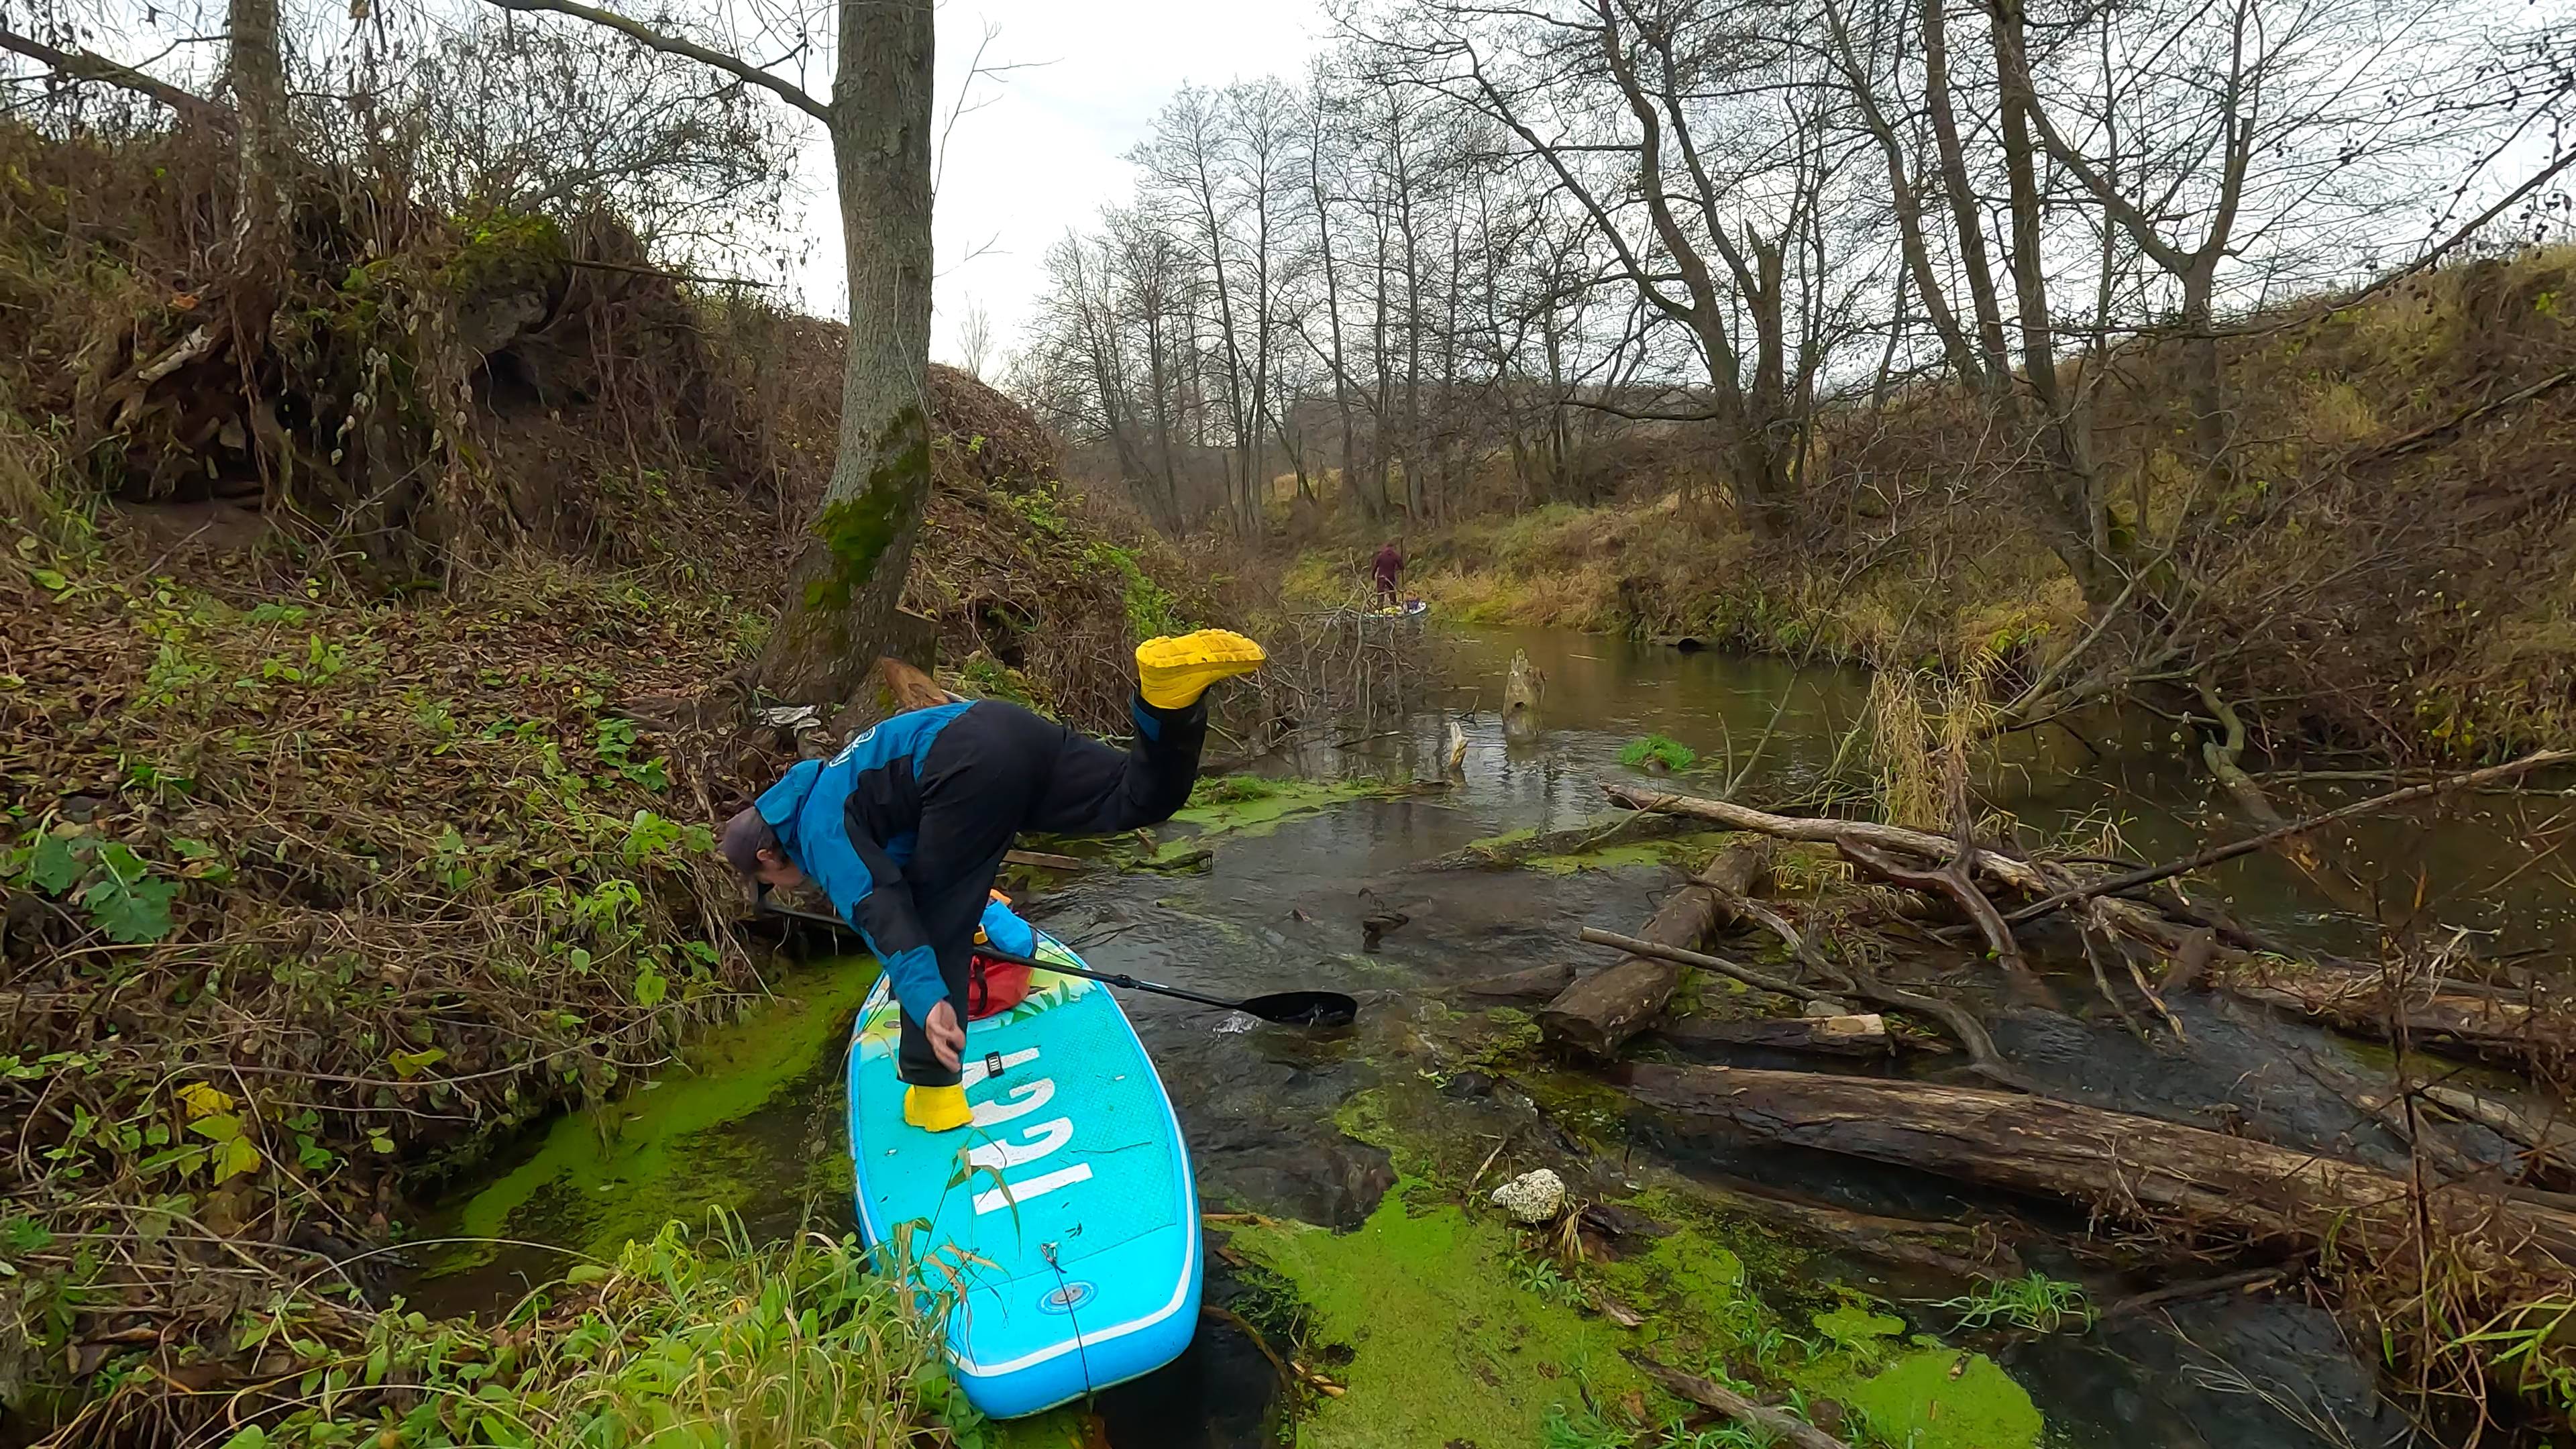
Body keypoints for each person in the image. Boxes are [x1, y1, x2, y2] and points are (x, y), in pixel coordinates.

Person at [718, 629, 1264, 1133]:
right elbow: (909, 853)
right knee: (1137, 796)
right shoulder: (831, 785)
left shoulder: (818, 831)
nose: (785, 888)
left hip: (967, 764)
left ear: (769, 853)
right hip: (1003, 728)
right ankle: (1169, 699)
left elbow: (883, 913)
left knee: (932, 931)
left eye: (769, 880)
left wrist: (930, 999)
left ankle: (934, 1098)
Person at [1371, 539, 1403, 608]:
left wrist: (1373, 575)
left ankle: (1380, 605)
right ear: (1393, 548)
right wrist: (1400, 566)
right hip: (1390, 576)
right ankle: (1393, 604)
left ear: (1386, 548)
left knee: (1380, 591)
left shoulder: (1381, 556)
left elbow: (1375, 567)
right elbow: (1402, 567)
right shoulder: (1395, 556)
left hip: (1381, 577)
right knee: (1391, 590)